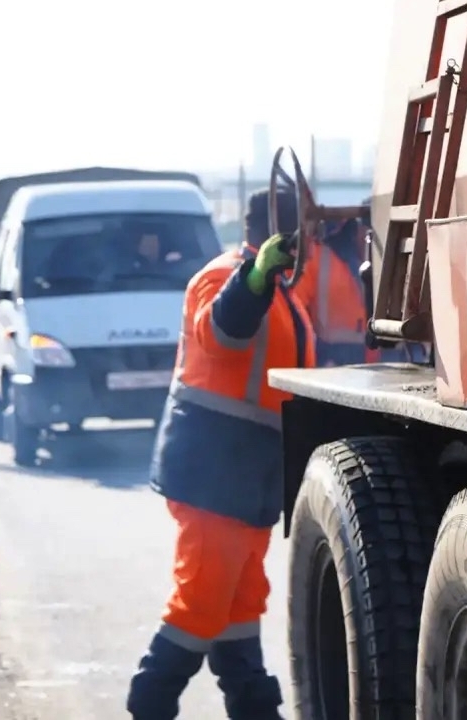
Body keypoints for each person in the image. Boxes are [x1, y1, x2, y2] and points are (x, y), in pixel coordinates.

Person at [125, 188, 314, 720]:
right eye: (303, 235)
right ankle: (150, 702)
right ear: (278, 232)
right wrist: (253, 278)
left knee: (241, 600)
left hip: (247, 476)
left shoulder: (285, 292)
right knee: (203, 599)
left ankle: (254, 707)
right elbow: (222, 333)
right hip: (214, 472)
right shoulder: (225, 275)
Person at [293, 216, 379, 366]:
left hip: (374, 369)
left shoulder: (383, 267)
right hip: (327, 366)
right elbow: (294, 314)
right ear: (363, 231)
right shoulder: (318, 258)